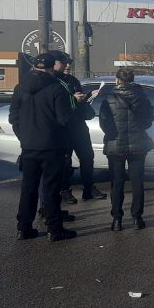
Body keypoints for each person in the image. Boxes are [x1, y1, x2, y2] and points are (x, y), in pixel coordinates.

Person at [10, 53, 76, 241]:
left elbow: (13, 117)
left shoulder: (20, 88)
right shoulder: (56, 89)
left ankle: (24, 227)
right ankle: (54, 229)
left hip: (29, 146)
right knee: (51, 189)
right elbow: (64, 119)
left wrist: (24, 137)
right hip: (52, 146)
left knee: (28, 188)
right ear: (50, 68)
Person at [98, 69, 154, 230]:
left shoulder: (109, 99)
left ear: (117, 80)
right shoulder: (142, 97)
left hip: (116, 146)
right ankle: (137, 218)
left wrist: (113, 134)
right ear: (132, 80)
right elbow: (148, 121)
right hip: (138, 145)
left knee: (117, 183)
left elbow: (104, 123)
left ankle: (117, 219)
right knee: (137, 182)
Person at [56, 54, 106, 204]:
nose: (68, 67)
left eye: (69, 64)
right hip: (64, 128)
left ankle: (89, 188)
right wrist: (73, 99)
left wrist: (89, 95)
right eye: (65, 64)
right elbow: (59, 104)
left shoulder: (73, 80)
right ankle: (64, 190)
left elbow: (79, 99)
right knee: (65, 161)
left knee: (87, 157)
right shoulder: (54, 82)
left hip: (79, 126)